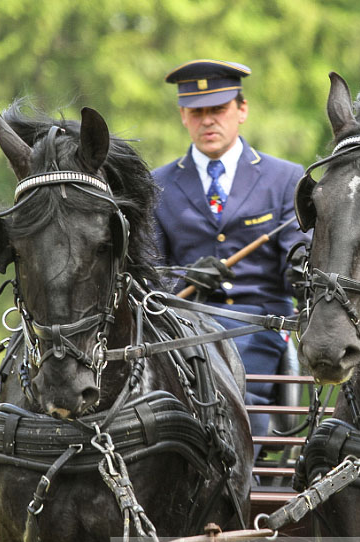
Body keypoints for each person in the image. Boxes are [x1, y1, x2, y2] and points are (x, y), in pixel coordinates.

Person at [151, 59, 308, 462]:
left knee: (232, 391)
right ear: (183, 116)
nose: (208, 121)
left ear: (241, 110)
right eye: (197, 112)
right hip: (181, 326)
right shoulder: (156, 186)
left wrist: (306, 265)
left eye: (217, 109)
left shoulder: (285, 179)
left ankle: (241, 486)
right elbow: (146, 275)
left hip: (258, 325)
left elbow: (299, 266)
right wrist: (183, 278)